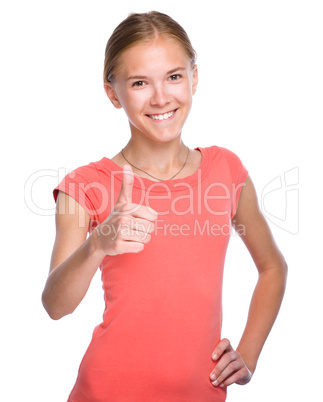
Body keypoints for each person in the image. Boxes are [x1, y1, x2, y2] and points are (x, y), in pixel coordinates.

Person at [42, 10, 288, 402]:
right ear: (112, 92)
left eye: (174, 76)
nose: (160, 97)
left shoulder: (226, 170)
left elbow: (273, 267)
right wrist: (97, 243)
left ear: (194, 77)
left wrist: (250, 355)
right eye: (140, 82)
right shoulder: (86, 185)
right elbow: (55, 305)